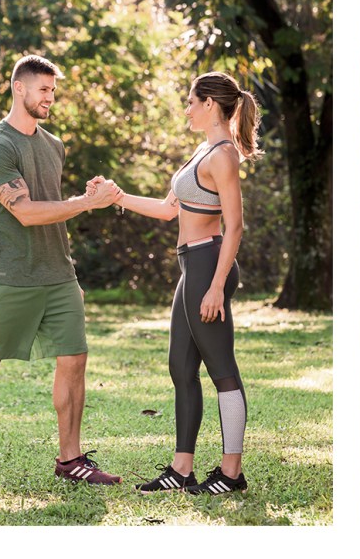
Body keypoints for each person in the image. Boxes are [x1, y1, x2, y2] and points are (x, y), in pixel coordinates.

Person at [0, 54, 125, 491]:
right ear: (18, 88)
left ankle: (71, 459)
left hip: (59, 276)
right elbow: (24, 212)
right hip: (10, 277)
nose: (51, 98)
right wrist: (87, 203)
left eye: (53, 90)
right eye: (44, 89)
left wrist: (84, 201)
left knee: (75, 361)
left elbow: (51, 206)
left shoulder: (53, 144)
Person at [106, 71, 261, 496]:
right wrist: (117, 196)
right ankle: (182, 468)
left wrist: (215, 286)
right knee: (181, 367)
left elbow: (235, 227)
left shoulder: (223, 156)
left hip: (209, 264)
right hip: (192, 266)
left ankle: (232, 473)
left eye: (191, 101)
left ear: (210, 103)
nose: (187, 108)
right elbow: (166, 209)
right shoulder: (202, 151)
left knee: (222, 370)